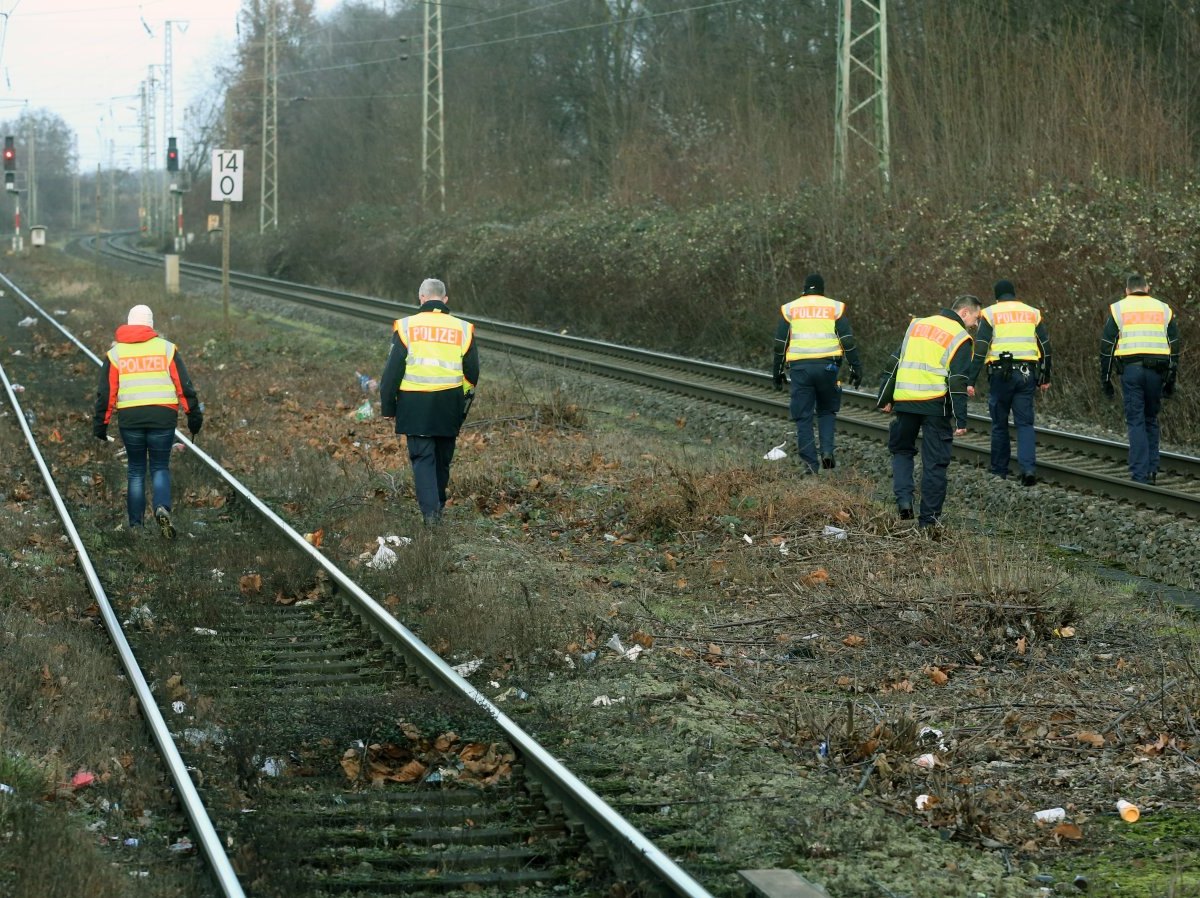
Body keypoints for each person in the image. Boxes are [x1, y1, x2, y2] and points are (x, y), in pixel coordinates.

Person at [93, 304, 203, 539]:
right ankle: (162, 507)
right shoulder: (167, 349)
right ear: (151, 324)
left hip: (130, 419)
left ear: (129, 323)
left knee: (135, 470)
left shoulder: (115, 354)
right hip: (163, 417)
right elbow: (184, 386)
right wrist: (193, 416)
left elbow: (106, 393)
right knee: (160, 466)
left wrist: (101, 424)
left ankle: (136, 526)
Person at [876, 294, 982, 528]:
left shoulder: (917, 324)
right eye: (976, 318)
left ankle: (904, 501)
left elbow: (895, 361)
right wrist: (961, 419)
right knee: (935, 463)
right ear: (964, 313)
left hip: (905, 400)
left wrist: (885, 397)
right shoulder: (960, 337)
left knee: (902, 450)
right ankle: (929, 522)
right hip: (935, 405)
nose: (975, 325)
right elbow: (956, 380)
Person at [380, 278, 480, 524]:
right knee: (443, 458)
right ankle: (439, 506)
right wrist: (462, 401)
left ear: (421, 297)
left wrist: (388, 406)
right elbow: (472, 373)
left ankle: (431, 516)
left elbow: (392, 372)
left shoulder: (406, 327)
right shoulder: (464, 329)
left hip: (415, 405)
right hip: (449, 403)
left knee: (423, 459)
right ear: (445, 300)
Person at [772, 272, 864, 472]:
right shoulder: (833, 307)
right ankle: (827, 452)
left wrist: (777, 371)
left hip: (800, 369)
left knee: (803, 416)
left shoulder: (791, 308)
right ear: (822, 290)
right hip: (828, 367)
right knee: (827, 410)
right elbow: (847, 340)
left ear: (804, 290)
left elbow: (781, 343)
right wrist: (856, 367)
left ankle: (810, 464)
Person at [966, 279, 1052, 485]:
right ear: (1014, 294)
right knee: (1025, 423)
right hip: (1026, 374)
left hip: (1000, 376)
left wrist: (971, 380)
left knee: (999, 424)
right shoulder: (1032, 313)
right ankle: (1028, 470)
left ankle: (999, 471)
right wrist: (1045, 377)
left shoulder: (990, 313)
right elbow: (1046, 347)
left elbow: (981, 349)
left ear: (997, 297)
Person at [1099, 273, 1181, 484]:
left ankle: (1139, 475)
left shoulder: (1118, 309)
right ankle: (1152, 470)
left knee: (1135, 420)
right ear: (1147, 287)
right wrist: (1171, 378)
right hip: (1157, 372)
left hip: (1131, 371)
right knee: (1151, 419)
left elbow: (1107, 347)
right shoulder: (1163, 309)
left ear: (1127, 290)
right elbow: (1175, 344)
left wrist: (1105, 379)